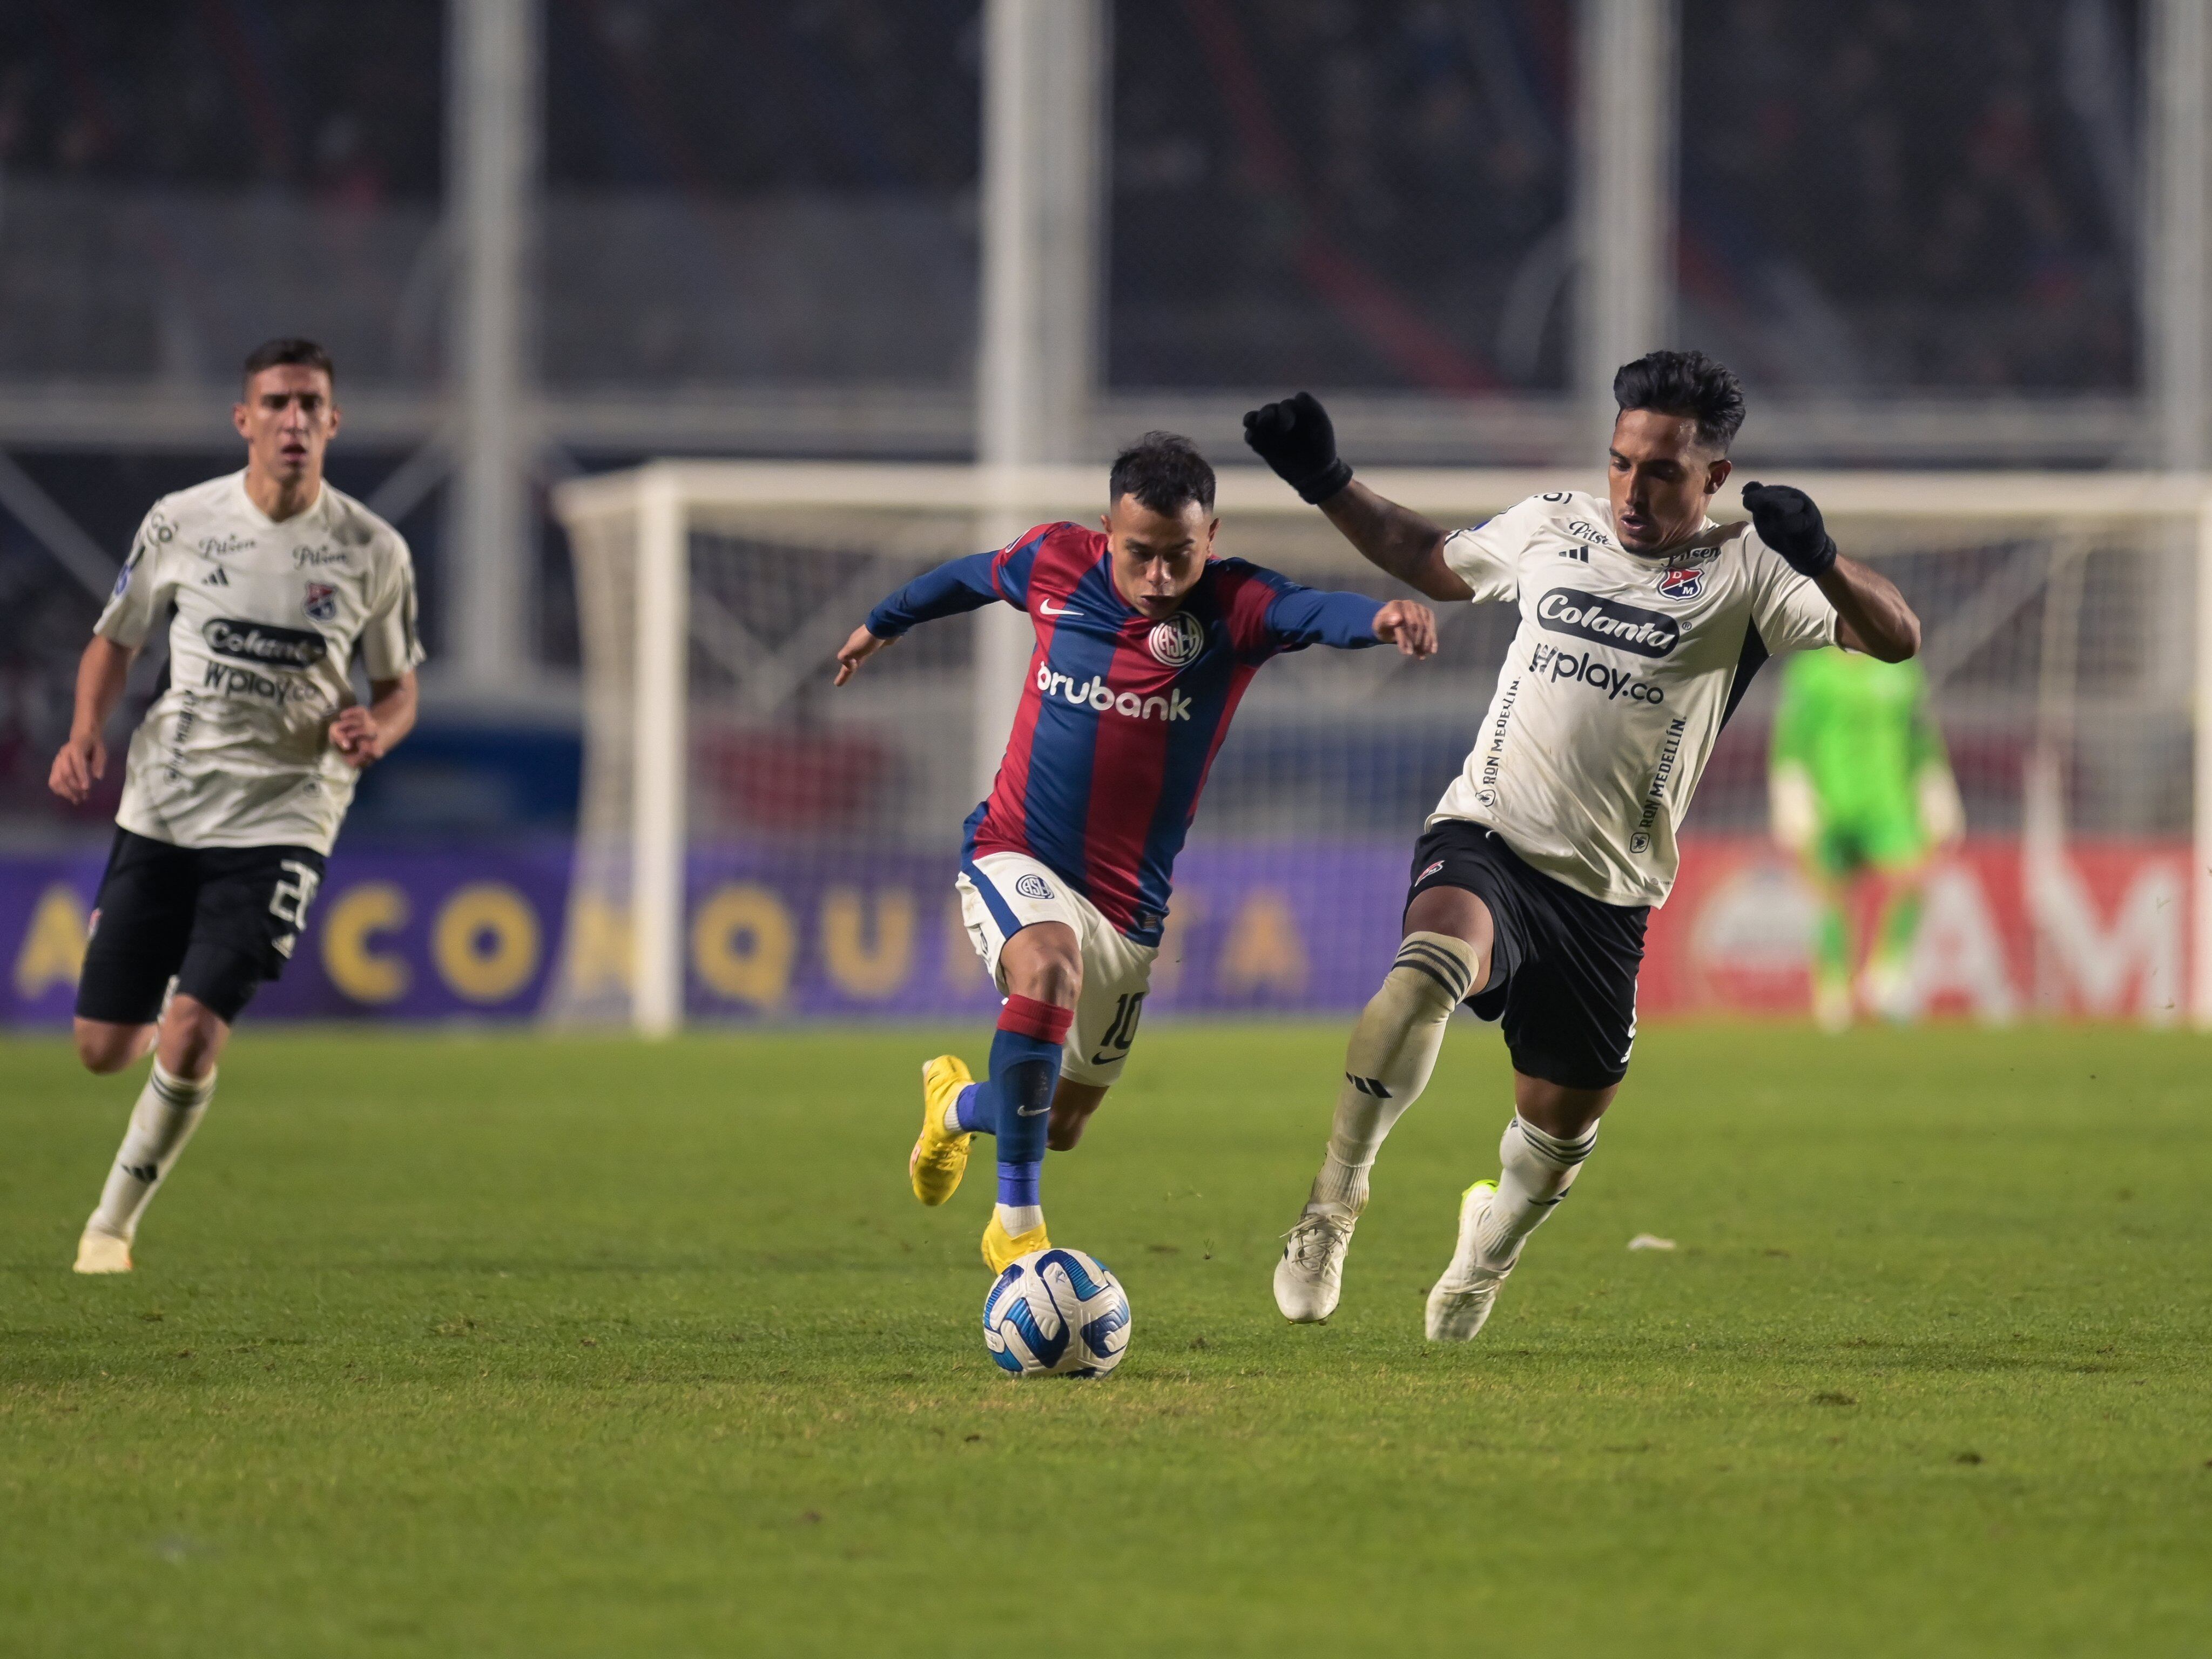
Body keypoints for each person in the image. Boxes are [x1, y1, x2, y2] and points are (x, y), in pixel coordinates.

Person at [1246, 350, 1923, 1340]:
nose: (1632, 490)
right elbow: (1430, 556)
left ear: (1714, 478)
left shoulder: (1750, 569)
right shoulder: (1553, 526)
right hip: (1488, 830)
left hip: (1607, 890)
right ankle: (1330, 1208)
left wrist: (1819, 556)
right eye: (1621, 462)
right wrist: (1327, 483)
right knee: (1425, 969)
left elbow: (1897, 637)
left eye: (1661, 472)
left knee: (1557, 1134)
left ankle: (1487, 1250)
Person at [833, 433, 1439, 1273]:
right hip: (1016, 851)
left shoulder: (1233, 606)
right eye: (1140, 555)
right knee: (1047, 970)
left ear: (1213, 536)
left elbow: (1311, 612)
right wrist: (880, 624)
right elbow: (970, 575)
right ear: (1106, 532)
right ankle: (1016, 1226)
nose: (1159, 578)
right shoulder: (1054, 564)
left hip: (1130, 908)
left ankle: (956, 1109)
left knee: (1062, 1122)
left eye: (1179, 557)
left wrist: (1377, 619)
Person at [49, 338, 423, 1273]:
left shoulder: (373, 549)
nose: (293, 421)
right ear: (244, 419)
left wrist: (377, 729)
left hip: (287, 814)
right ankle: (157, 995)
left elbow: (400, 687)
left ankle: (111, 1225)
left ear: (333, 423)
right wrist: (84, 728)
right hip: (167, 801)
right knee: (103, 1048)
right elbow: (115, 637)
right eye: (276, 403)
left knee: (194, 1027)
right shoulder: (182, 521)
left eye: (310, 406)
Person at [1769, 648, 1963, 1029]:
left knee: (1914, 880)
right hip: (1831, 804)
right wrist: (1790, 796)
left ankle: (1887, 976)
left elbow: (1922, 738)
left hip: (1890, 804)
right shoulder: (1811, 673)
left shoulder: (1902, 671)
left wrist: (1937, 792)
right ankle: (1834, 991)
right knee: (1830, 896)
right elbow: (1790, 739)